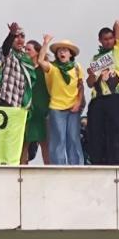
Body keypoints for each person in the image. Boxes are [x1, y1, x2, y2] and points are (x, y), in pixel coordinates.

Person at [85, 20, 119, 165]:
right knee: (96, 133)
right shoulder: (95, 59)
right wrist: (91, 74)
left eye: (111, 38)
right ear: (100, 40)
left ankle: (115, 163)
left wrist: (116, 30)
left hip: (115, 97)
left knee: (114, 133)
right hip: (98, 98)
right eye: (105, 39)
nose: (109, 41)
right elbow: (90, 83)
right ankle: (97, 162)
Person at [39, 36, 85, 165]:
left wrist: (78, 102)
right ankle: (58, 166)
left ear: (71, 54)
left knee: (74, 138)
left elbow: (81, 86)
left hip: (73, 108)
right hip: (57, 107)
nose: (62, 52)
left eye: (65, 50)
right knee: (58, 139)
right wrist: (46, 43)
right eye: (60, 50)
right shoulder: (53, 68)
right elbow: (41, 60)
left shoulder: (77, 67)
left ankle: (76, 166)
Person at [22, 39, 50, 164]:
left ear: (37, 52)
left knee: (44, 142)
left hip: (43, 107)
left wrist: (45, 43)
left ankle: (49, 171)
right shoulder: (25, 68)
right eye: (25, 49)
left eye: (29, 49)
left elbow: (41, 60)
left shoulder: (44, 67)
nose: (25, 51)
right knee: (24, 141)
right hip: (28, 108)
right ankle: (21, 170)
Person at [0, 23, 36, 109]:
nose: (20, 39)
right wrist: (11, 34)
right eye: (16, 37)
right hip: (6, 102)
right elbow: (5, 47)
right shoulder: (9, 53)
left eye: (22, 37)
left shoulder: (26, 59)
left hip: (19, 106)